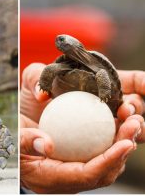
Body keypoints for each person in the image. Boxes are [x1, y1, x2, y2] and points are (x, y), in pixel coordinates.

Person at [20, 63, 145, 194]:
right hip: (62, 106)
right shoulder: (60, 72)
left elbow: (101, 73)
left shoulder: (99, 75)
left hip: (100, 107)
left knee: (129, 111)